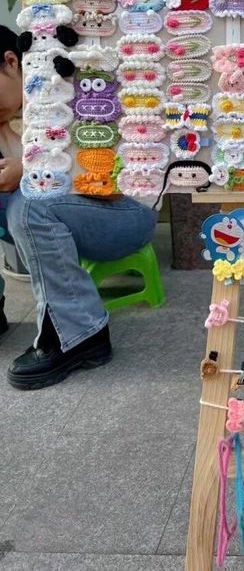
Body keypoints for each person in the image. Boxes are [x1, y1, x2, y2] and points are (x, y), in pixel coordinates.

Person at [0, 25, 157, 390]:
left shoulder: (75, 88)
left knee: (31, 204)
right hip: (68, 219)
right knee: (29, 201)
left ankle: (81, 335)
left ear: (11, 62)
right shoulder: (6, 118)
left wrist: (31, 170)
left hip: (126, 213)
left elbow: (116, 179)